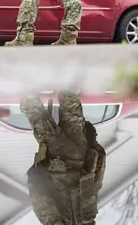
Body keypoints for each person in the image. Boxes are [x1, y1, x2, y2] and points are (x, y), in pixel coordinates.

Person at [21, 90, 106, 224]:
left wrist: (94, 146)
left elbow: (96, 180)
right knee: (37, 114)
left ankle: (66, 74)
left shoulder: (88, 216)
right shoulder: (62, 222)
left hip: (78, 153)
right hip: (60, 158)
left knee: (70, 107)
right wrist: (37, 171)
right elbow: (40, 200)